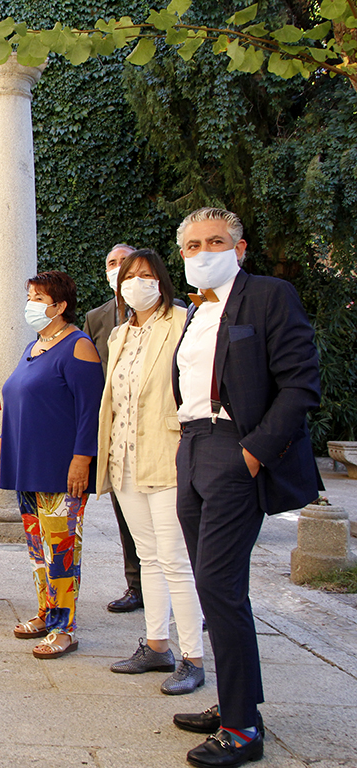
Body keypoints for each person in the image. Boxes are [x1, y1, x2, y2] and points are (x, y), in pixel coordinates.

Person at [170, 208, 320, 768]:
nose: (202, 251)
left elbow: (301, 385)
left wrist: (253, 454)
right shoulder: (192, 312)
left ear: (240, 248)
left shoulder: (269, 295)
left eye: (214, 241)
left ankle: (242, 729)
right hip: (192, 447)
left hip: (235, 450)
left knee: (219, 585)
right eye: (190, 245)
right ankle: (236, 701)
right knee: (217, 589)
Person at [95, 249, 205, 694]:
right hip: (124, 459)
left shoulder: (183, 323)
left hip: (167, 455)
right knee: (148, 556)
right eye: (129, 276)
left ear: (162, 280)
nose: (136, 282)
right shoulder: (120, 334)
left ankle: (193, 657)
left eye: (146, 275)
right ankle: (157, 645)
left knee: (175, 559)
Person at [0, 271, 104, 659]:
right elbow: (20, 398)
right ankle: (45, 611)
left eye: (38, 298)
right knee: (39, 548)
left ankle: (64, 627)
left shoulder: (78, 346)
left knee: (62, 549)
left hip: (60, 467)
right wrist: (4, 442)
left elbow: (91, 410)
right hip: (27, 464)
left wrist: (82, 460)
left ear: (60, 305)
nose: (30, 304)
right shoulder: (34, 345)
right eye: (30, 296)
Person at [84, 242, 144, 614]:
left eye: (125, 262)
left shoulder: (175, 315)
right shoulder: (98, 318)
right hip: (114, 426)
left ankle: (190, 596)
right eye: (111, 263)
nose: (118, 268)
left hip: (154, 426)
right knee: (126, 511)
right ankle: (135, 585)